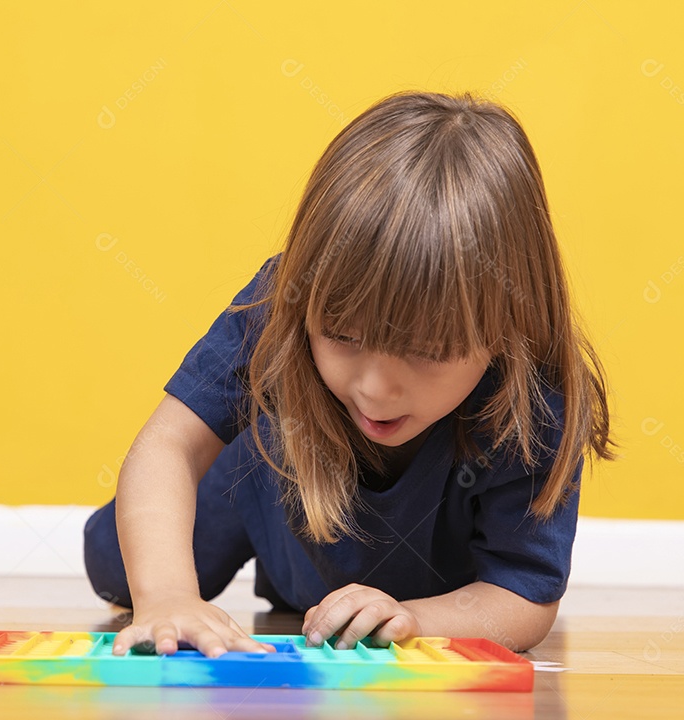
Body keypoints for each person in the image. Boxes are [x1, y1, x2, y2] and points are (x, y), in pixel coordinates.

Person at [83, 89, 615, 658]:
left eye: (428, 352)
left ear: (507, 325)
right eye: (342, 335)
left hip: (357, 578)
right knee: (117, 570)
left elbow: (522, 595)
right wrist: (165, 597)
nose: (375, 391)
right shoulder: (276, 306)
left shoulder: (536, 400)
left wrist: (414, 618)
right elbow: (169, 443)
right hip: (259, 472)